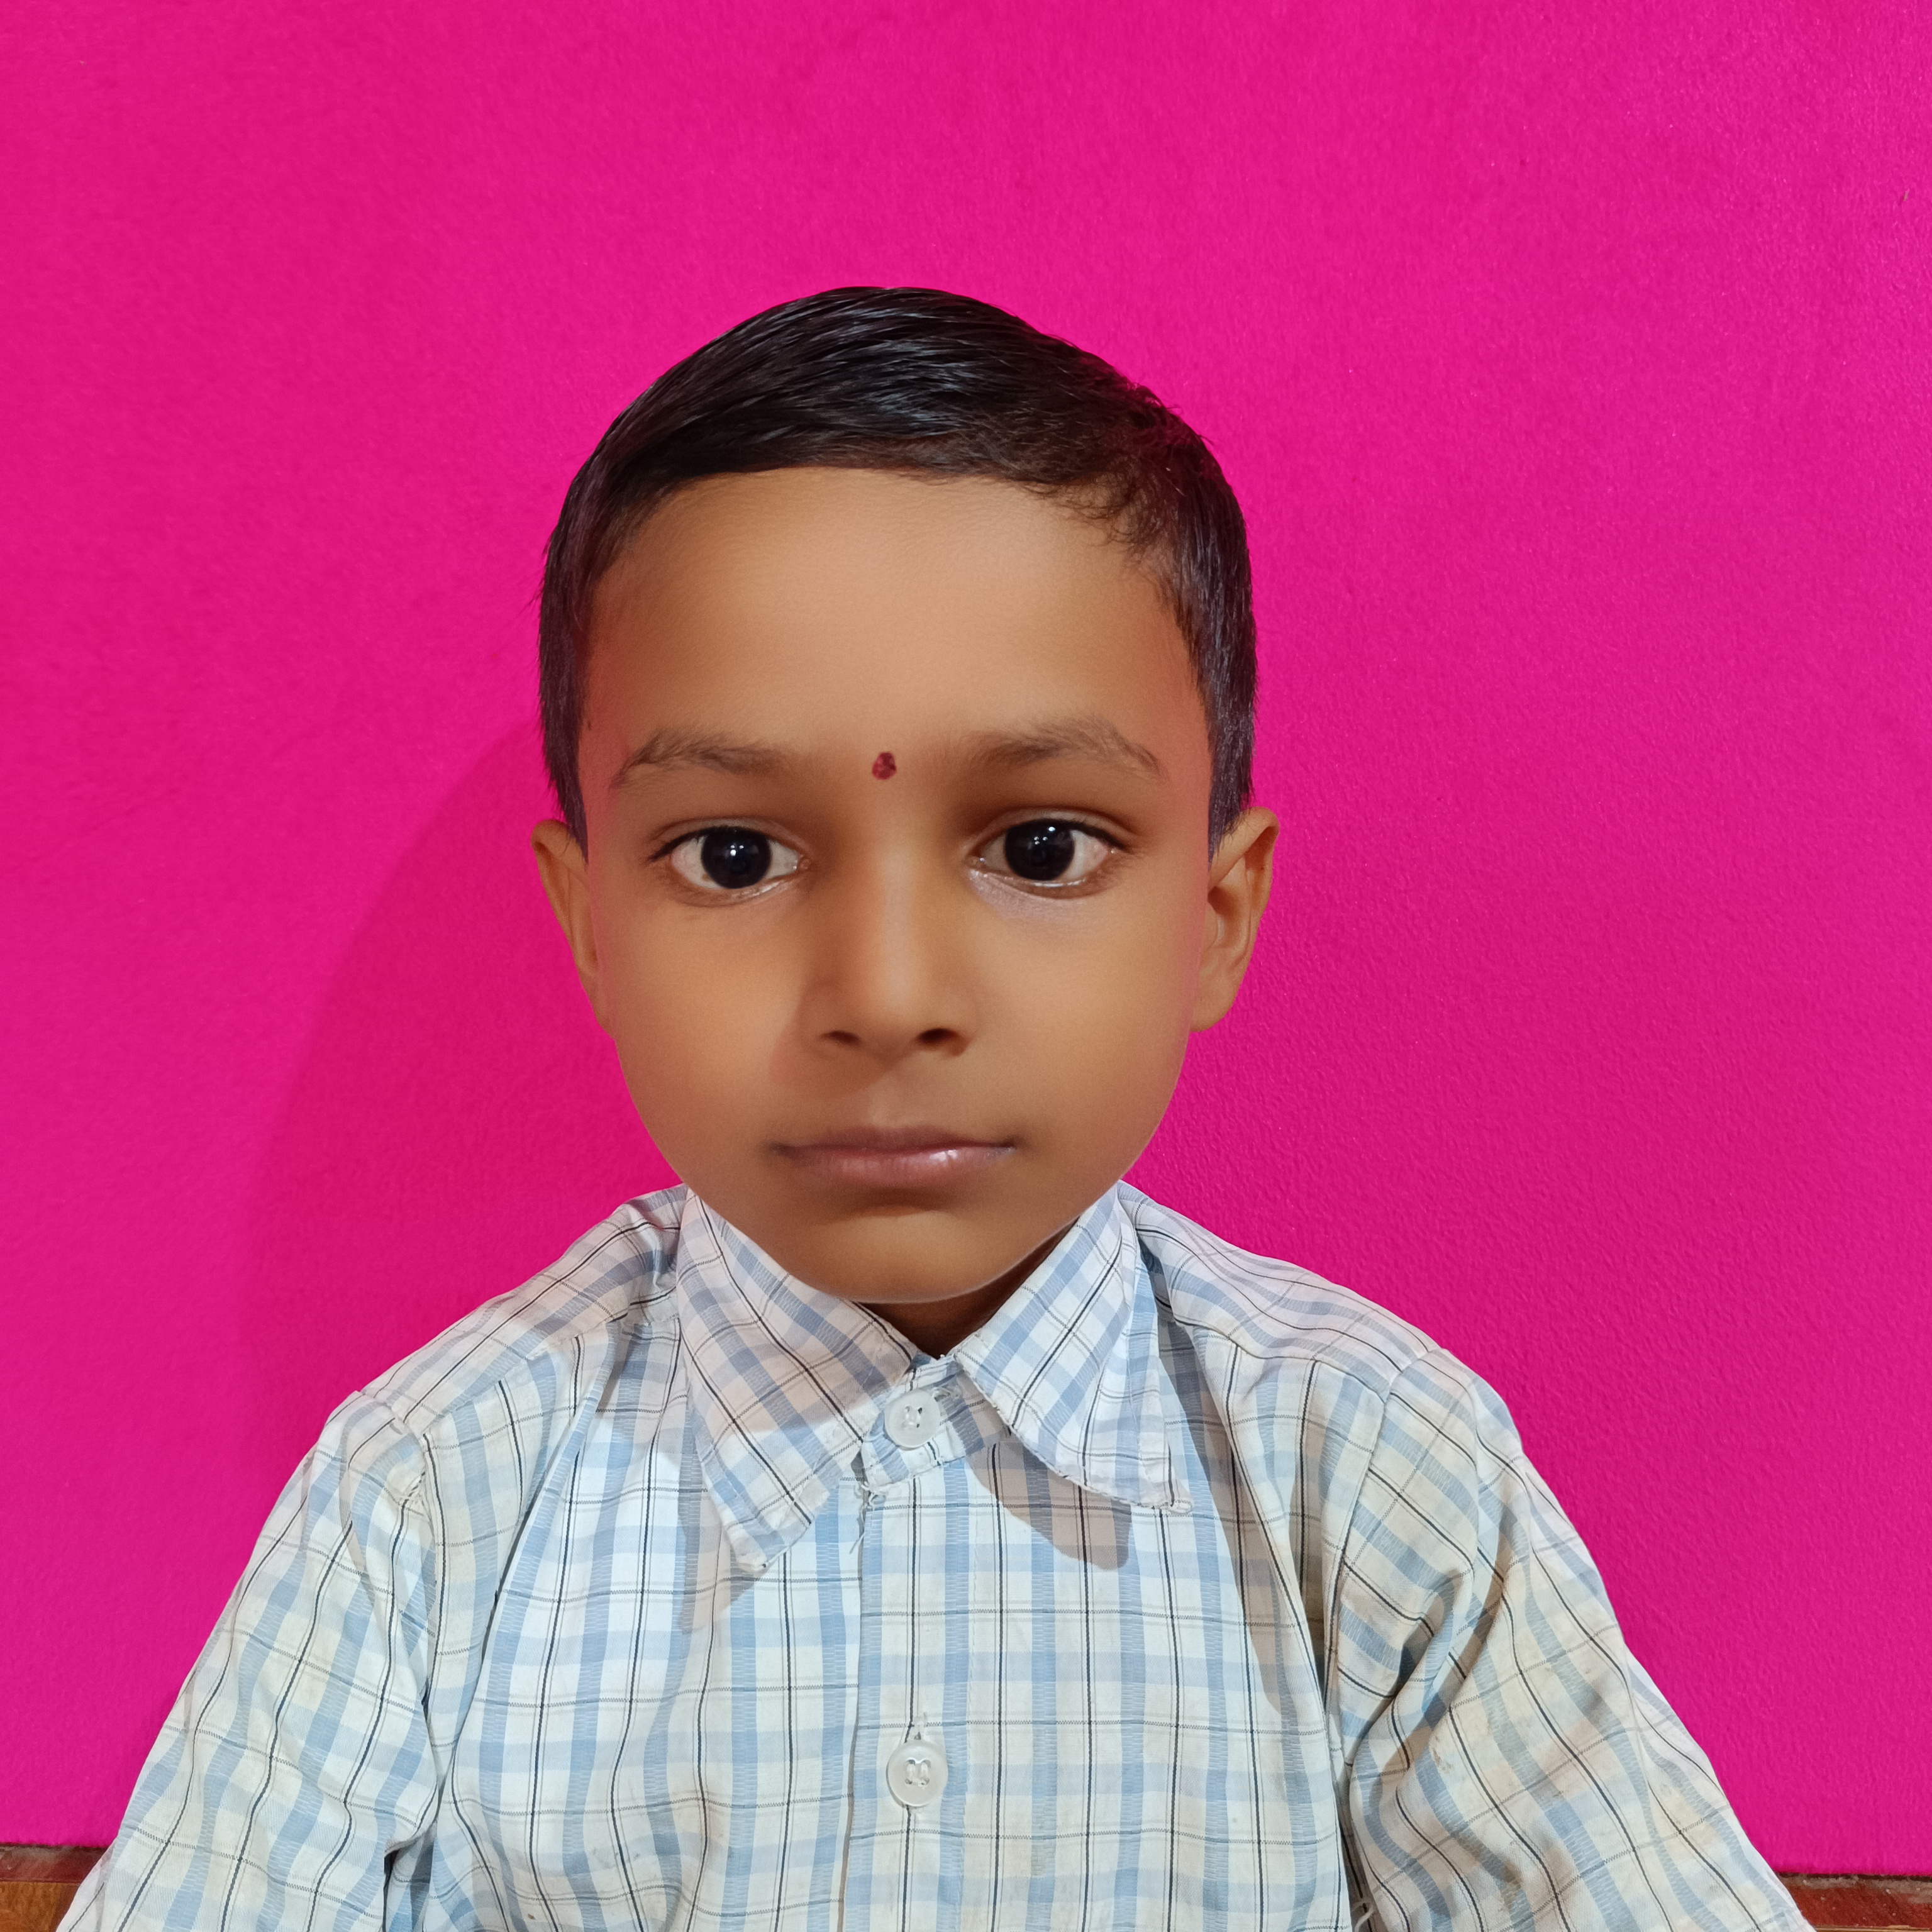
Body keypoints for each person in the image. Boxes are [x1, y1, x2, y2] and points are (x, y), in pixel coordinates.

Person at [62, 289, 1804, 1931]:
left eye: (1041, 846)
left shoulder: (1372, 1479)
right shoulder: (431, 1499)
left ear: (1216, 915)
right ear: (589, 928)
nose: (888, 996)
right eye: (733, 856)